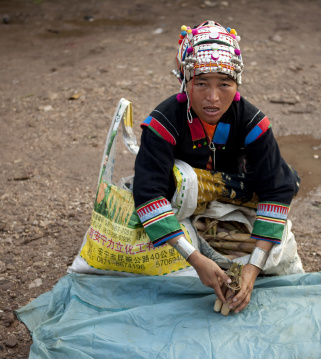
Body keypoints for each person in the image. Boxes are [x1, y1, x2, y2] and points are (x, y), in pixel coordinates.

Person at [133, 20, 300, 313]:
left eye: (224, 83)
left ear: (237, 84)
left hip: (232, 194)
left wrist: (252, 269)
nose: (213, 98)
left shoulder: (251, 122)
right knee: (147, 232)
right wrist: (195, 259)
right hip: (181, 200)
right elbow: (148, 192)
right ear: (185, 81)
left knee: (283, 186)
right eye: (201, 83)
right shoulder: (164, 122)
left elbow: (277, 188)